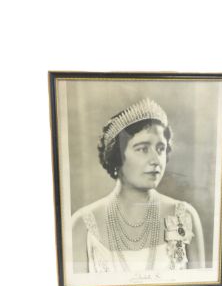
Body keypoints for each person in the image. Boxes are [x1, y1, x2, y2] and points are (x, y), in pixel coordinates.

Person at [71, 98, 205, 273]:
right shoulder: (82, 226)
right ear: (117, 156)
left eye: (160, 149)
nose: (156, 160)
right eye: (142, 149)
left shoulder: (185, 216)